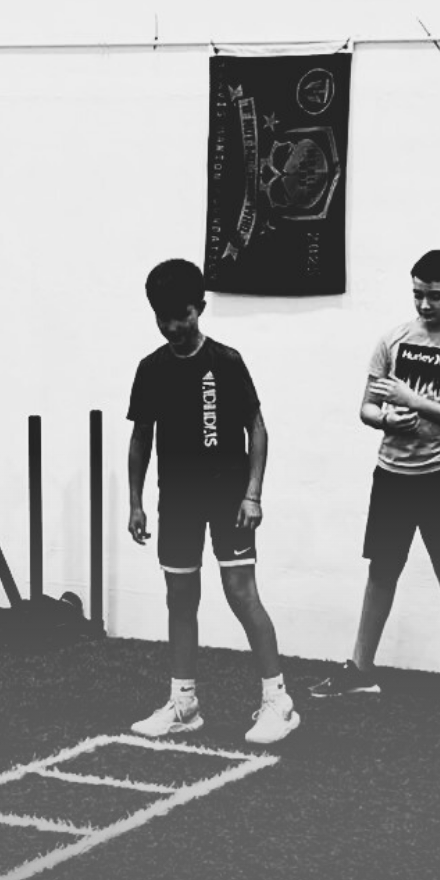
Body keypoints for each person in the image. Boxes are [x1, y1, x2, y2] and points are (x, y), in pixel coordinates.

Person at [310, 249, 440, 717]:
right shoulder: (392, 339)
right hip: (392, 474)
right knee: (382, 570)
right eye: (418, 294)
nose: (425, 304)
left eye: (436, 296)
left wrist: (415, 401)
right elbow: (367, 407)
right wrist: (386, 417)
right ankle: (360, 669)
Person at [126, 258, 300, 745]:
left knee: (241, 594)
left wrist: (253, 494)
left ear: (200, 308)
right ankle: (183, 704)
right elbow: (140, 439)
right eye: (162, 318)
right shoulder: (151, 369)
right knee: (180, 598)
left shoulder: (226, 361)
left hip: (229, 499)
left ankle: (278, 701)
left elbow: (257, 428)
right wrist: (135, 502)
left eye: (180, 316)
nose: (172, 327)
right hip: (177, 501)